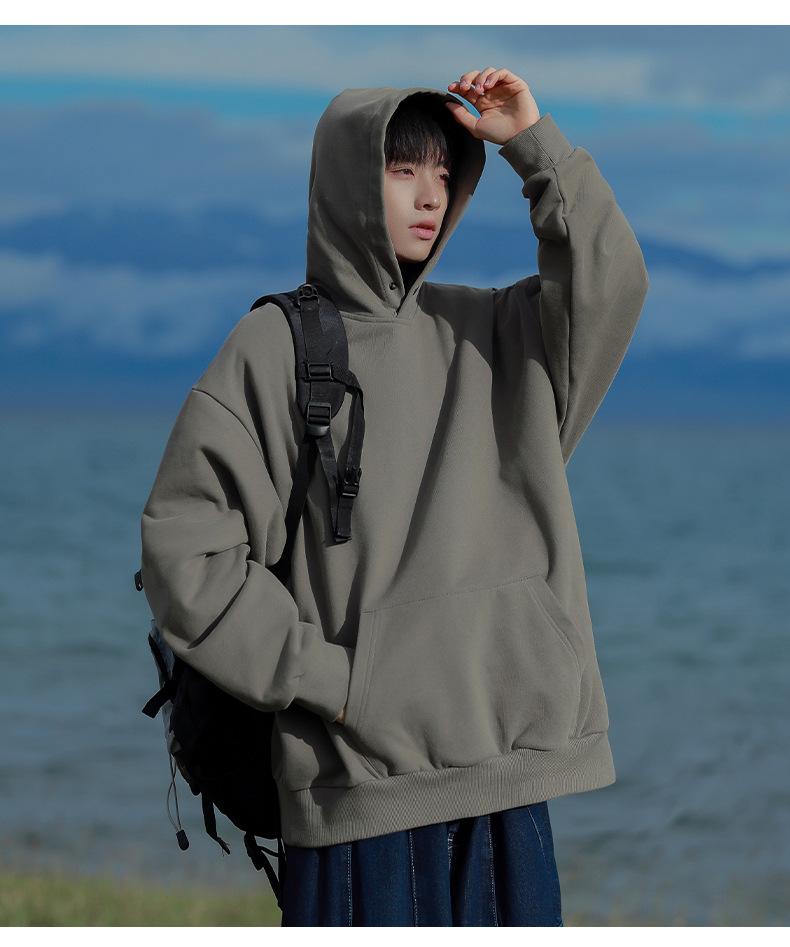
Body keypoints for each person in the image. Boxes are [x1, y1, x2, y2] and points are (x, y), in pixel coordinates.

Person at [139, 67, 649, 926]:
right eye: (402, 169)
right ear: (348, 180)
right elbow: (186, 552)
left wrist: (534, 145)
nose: (429, 194)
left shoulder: (499, 334)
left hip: (506, 782)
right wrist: (337, 681)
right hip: (360, 794)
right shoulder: (277, 346)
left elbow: (612, 279)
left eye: (444, 173)